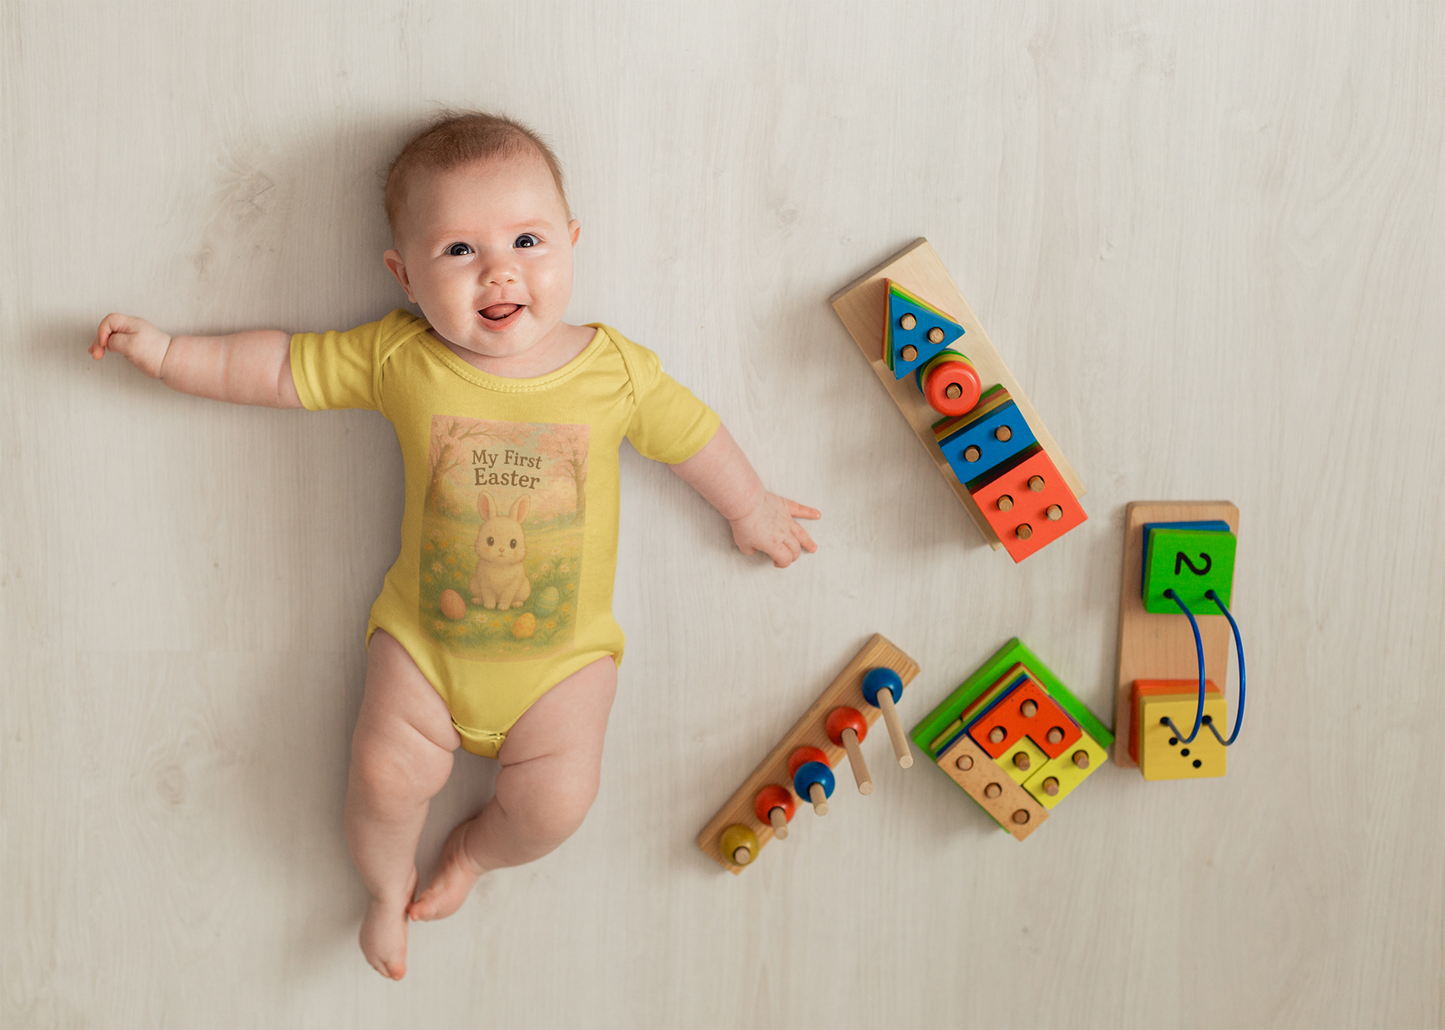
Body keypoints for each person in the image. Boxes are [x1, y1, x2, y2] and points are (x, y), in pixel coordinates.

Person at [90, 111, 820, 980]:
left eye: (525, 239)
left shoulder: (613, 372)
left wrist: (749, 508)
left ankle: (472, 856)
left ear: (572, 243)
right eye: (459, 252)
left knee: (556, 805)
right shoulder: (403, 359)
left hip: (564, 663)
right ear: (403, 274)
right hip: (424, 650)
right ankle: (384, 885)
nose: (499, 270)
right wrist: (171, 352)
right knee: (382, 778)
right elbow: (283, 368)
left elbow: (692, 435)